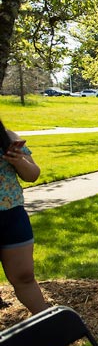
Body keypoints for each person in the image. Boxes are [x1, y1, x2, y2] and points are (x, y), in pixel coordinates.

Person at [0, 119, 47, 315]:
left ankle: (48, 324)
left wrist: (18, 160)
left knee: (25, 277)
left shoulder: (7, 137)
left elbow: (33, 174)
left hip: (12, 217)